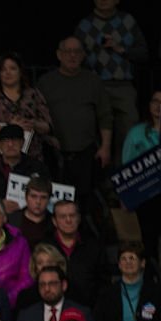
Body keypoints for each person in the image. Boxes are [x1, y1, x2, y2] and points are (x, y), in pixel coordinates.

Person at [36, 37, 112, 208]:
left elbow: (105, 115)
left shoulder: (93, 81)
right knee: (52, 200)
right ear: (58, 55)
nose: (72, 56)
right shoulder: (45, 82)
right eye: (67, 51)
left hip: (85, 151)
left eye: (77, 51)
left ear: (83, 55)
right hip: (52, 153)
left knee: (85, 201)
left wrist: (105, 146)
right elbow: (37, 115)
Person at [74, 1, 148, 161]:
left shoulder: (127, 20)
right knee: (93, 131)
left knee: (129, 131)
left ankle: (126, 176)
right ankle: (100, 180)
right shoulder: (85, 25)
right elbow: (74, 57)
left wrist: (121, 49)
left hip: (123, 85)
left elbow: (143, 54)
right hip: (95, 85)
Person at [0, 52, 53, 164]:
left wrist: (32, 124)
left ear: (20, 72)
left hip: (31, 158)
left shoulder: (33, 95)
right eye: (3, 69)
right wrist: (11, 128)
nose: (7, 73)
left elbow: (47, 126)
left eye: (12, 68)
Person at [12, 265, 98, 321]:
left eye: (52, 284)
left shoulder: (82, 313)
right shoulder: (26, 315)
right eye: (42, 285)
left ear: (64, 285)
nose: (47, 289)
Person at [93, 241, 161, 321]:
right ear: (119, 265)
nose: (127, 262)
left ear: (142, 263)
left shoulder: (155, 292)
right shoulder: (107, 293)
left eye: (132, 258)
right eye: (123, 259)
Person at [0, 124, 50, 212]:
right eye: (5, 141)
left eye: (15, 140)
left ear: (22, 142)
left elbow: (49, 195)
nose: (10, 144)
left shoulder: (38, 168)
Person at [121, 91, 161, 262]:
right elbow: (126, 166)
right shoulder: (136, 133)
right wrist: (125, 197)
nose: (159, 106)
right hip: (146, 197)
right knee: (148, 240)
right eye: (156, 101)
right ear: (149, 105)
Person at [44, 200, 105, 307]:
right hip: (52, 310)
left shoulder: (94, 246)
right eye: (63, 216)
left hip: (89, 310)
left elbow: (104, 281)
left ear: (79, 218)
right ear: (54, 221)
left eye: (72, 215)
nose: (68, 220)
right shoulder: (45, 247)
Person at [7, 175, 53, 247]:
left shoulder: (54, 223)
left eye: (43, 197)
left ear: (49, 199)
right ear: (26, 197)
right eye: (34, 196)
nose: (38, 202)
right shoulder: (11, 220)